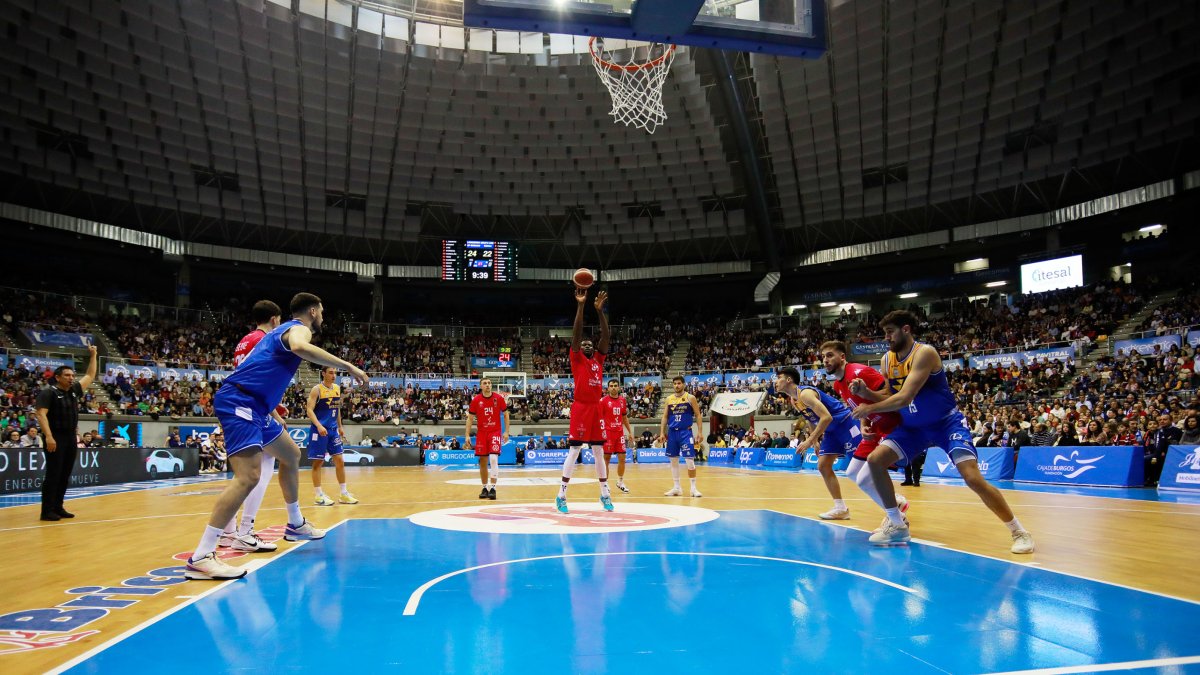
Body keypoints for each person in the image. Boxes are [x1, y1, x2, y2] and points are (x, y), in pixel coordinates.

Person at [184, 293, 368, 581]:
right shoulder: (299, 328)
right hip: (241, 401)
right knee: (248, 477)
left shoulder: (278, 330)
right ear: (312, 311)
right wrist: (349, 366)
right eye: (321, 311)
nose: (323, 316)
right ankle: (202, 556)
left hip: (258, 406)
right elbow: (299, 346)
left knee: (291, 454)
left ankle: (295, 524)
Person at [850, 310, 1034, 553]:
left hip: (945, 423)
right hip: (914, 428)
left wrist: (869, 408)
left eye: (890, 332)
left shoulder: (924, 353)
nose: (887, 338)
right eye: (885, 333)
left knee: (972, 478)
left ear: (906, 330)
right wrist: (865, 393)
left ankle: (1019, 532)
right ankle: (897, 524)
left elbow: (905, 397)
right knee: (875, 460)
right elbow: (888, 395)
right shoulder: (886, 360)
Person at [217, 300, 290, 552]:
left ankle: (228, 531)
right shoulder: (265, 340)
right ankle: (245, 530)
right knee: (262, 468)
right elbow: (258, 381)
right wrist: (275, 414)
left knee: (244, 472)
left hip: (240, 403)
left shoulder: (244, 340)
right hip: (249, 408)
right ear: (274, 319)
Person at [818, 341, 910, 531]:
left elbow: (892, 394)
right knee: (852, 472)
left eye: (830, 355)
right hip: (875, 428)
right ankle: (896, 504)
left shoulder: (859, 372)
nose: (825, 360)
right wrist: (864, 424)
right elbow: (859, 406)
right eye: (823, 357)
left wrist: (867, 397)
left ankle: (896, 519)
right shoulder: (838, 385)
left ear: (842, 357)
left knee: (863, 479)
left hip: (893, 425)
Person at [775, 364, 860, 520]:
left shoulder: (805, 394)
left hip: (845, 423)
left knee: (861, 467)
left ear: (789, 380)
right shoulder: (794, 400)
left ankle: (894, 500)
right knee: (823, 466)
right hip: (831, 431)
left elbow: (826, 417)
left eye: (779, 378)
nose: (776, 381)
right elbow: (811, 419)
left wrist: (809, 440)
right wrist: (815, 442)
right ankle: (840, 508)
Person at [555, 287, 613, 513]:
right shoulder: (577, 358)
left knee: (599, 451)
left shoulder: (599, 359)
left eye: (590, 344)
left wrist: (599, 311)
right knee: (574, 450)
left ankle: (605, 494)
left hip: (596, 408)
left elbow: (606, 337)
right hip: (580, 407)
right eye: (584, 344)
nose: (587, 345)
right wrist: (580, 305)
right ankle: (561, 495)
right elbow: (577, 334)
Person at [33, 347, 98, 521]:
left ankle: (58, 506)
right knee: (53, 474)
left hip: (70, 437)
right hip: (55, 436)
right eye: (67, 375)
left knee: (64, 474)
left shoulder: (74, 391)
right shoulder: (48, 393)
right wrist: (48, 436)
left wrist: (93, 355)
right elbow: (40, 414)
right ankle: (47, 511)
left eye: (72, 375)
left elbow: (90, 375)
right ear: (57, 377)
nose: (71, 378)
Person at [308, 366, 357, 506]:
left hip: (333, 430)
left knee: (340, 461)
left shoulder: (336, 388)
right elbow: (309, 410)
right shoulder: (317, 389)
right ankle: (318, 495)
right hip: (319, 430)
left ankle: (344, 494)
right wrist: (319, 425)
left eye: (335, 373)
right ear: (323, 373)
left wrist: (340, 426)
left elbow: (337, 408)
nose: (334, 375)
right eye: (330, 372)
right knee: (318, 463)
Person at [658, 375, 703, 497]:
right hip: (672, 432)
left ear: (683, 384)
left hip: (685, 432)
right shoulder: (669, 399)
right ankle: (677, 488)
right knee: (673, 460)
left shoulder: (690, 398)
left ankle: (693, 489)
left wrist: (700, 432)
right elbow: (665, 417)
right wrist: (662, 432)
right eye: (675, 383)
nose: (676, 385)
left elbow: (698, 415)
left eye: (679, 383)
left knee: (689, 460)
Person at [465, 377, 509, 500]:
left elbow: (506, 414)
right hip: (482, 433)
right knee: (483, 461)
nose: (488, 385)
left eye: (489, 383)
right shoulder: (476, 400)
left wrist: (506, 432)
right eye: (485, 383)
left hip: (495, 432)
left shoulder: (498, 398)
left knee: (494, 458)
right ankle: (484, 487)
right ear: (481, 386)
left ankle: (493, 488)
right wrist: (467, 435)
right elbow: (470, 419)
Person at [600, 378, 634, 493]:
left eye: (615, 385)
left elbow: (624, 418)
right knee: (606, 459)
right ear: (608, 388)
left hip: (619, 433)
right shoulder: (603, 401)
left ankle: (620, 482)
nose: (613, 387)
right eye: (611, 386)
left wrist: (630, 432)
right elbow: (599, 418)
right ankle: (605, 484)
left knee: (622, 458)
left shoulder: (622, 400)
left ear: (619, 387)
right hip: (608, 433)